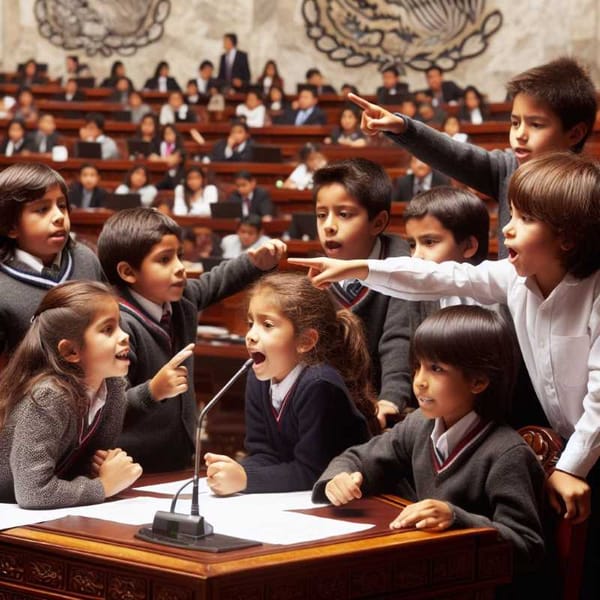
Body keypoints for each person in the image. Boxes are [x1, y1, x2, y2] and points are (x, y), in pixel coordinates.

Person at [290, 152, 600, 596]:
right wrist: (362, 268)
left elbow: (599, 397)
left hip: (586, 452)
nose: (507, 227)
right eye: (511, 213)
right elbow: (440, 277)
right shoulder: (514, 278)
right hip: (567, 453)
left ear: (567, 238)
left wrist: (572, 466)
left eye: (525, 218)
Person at [312, 305, 545, 582]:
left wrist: (456, 518)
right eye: (417, 367)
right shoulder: (418, 425)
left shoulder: (506, 453)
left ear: (478, 381)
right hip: (424, 573)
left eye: (436, 369)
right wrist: (338, 479)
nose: (420, 382)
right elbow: (357, 458)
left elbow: (527, 546)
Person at [347, 56, 597, 257]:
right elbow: (454, 154)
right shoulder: (508, 167)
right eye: (514, 122)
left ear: (575, 133)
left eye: (536, 125)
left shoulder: (588, 189)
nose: (520, 134)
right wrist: (403, 127)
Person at [96, 207, 286, 472]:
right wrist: (153, 391)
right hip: (130, 467)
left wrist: (254, 264)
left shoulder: (182, 300)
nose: (180, 268)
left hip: (178, 457)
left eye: (180, 256)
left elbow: (216, 281)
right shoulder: (116, 327)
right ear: (128, 272)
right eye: (164, 260)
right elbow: (104, 410)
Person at [204, 271, 376, 495]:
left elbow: (314, 471)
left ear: (305, 341)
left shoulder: (319, 384)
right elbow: (264, 454)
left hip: (356, 498)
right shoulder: (259, 379)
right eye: (250, 323)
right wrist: (231, 472)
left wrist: (245, 479)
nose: (251, 336)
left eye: (267, 325)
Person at [0, 281, 142, 508]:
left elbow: (86, 465)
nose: (124, 336)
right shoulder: (48, 397)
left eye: (120, 326)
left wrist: (102, 468)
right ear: (71, 351)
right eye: (108, 329)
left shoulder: (113, 388)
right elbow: (32, 492)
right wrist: (103, 486)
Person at [311, 158, 424, 428]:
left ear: (378, 222)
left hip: (394, 410)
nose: (328, 225)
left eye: (344, 214)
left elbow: (398, 337)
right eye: (321, 214)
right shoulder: (317, 273)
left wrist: (391, 399)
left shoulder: (401, 263)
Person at [0, 162, 104, 357]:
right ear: (11, 226)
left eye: (62, 206)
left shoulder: (86, 258)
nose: (59, 216)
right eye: (42, 209)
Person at [404, 186, 489, 307]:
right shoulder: (413, 297)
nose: (416, 257)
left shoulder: (497, 304)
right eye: (412, 245)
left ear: (469, 246)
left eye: (429, 242)